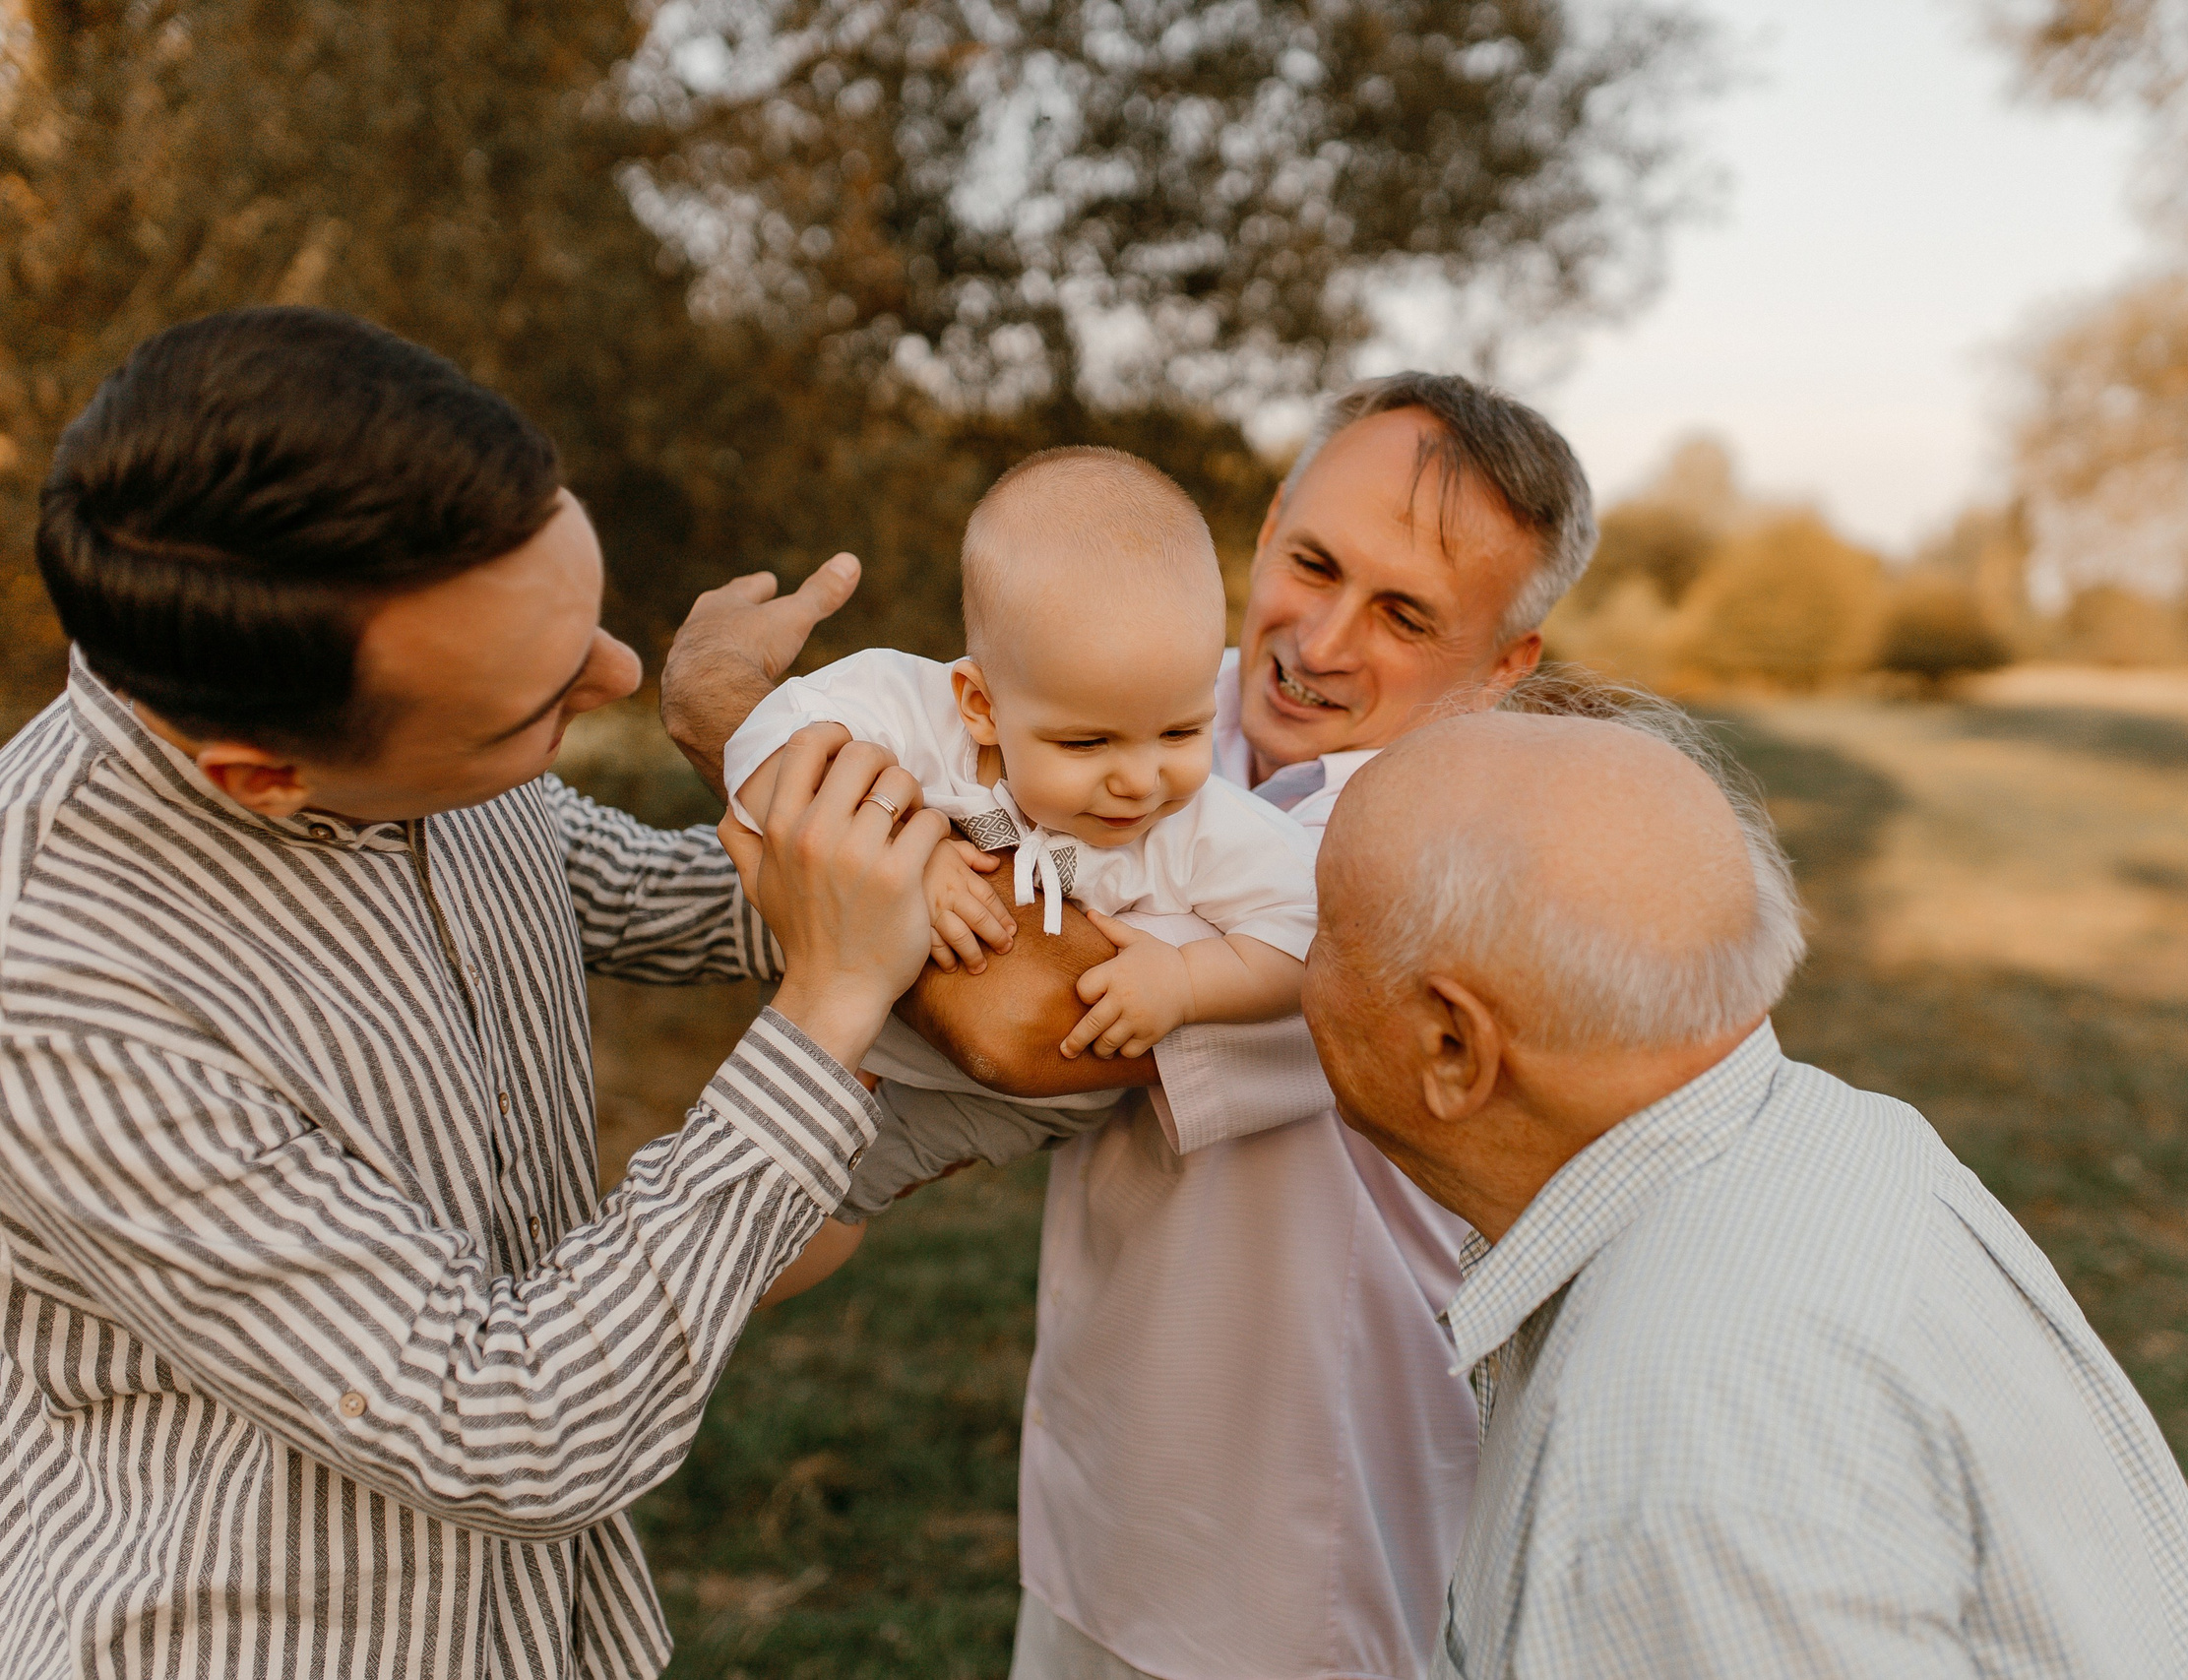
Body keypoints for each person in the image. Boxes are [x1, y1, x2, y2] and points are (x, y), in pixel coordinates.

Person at [0, 307, 944, 1680]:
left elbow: (634, 891)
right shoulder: (61, 996)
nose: (621, 674)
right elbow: (511, 1426)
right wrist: (828, 1013)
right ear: (262, 776)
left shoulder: (389, 699)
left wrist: (865, 796)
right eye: (538, 706)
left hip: (543, 1632)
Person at [663, 373, 1596, 1679]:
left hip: (1302, 1555)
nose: (1322, 640)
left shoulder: (1449, 858)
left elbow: (1020, 1014)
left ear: (1504, 664)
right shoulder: (1151, 698)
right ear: (1265, 529)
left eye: (1404, 615)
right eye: (1313, 563)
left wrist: (723, 710)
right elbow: (941, 735)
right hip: (1104, 1484)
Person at [1303, 706, 2188, 1679]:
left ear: (1453, 1047)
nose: (1291, 957)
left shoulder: (1670, 1470)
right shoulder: (1841, 1139)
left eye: (1320, 924)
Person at [719, 447, 1319, 1219]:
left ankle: (793, 1217)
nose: (1141, 781)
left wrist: (1187, 980)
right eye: (1088, 742)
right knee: (773, 1138)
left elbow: (1307, 931)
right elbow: (767, 739)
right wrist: (909, 846)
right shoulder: (913, 710)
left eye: (1180, 731)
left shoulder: (1203, 825)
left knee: (819, 1197)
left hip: (1019, 1096)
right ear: (981, 705)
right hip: (852, 1017)